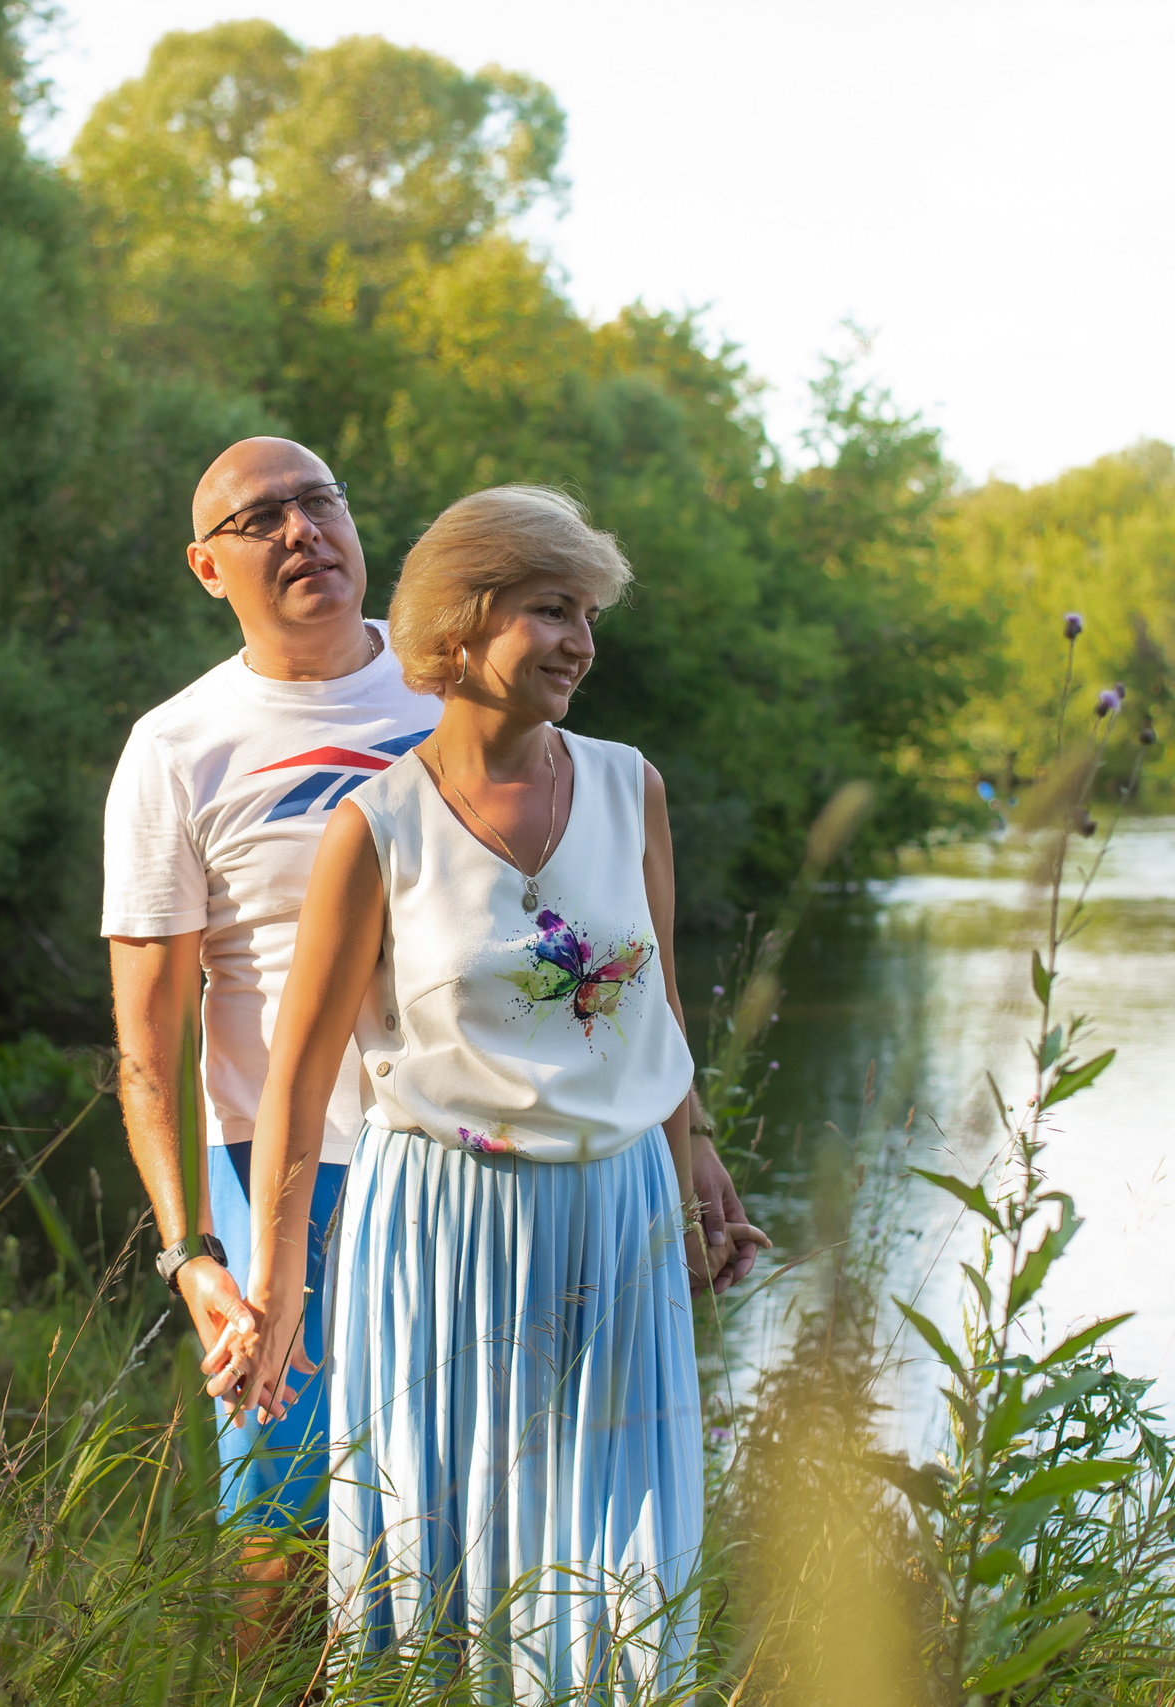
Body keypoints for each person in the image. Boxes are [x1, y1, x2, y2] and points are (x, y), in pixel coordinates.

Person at [103, 444, 763, 1591]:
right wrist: (190, 1255)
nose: (302, 530)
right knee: (287, 1523)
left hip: (495, 1159)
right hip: (283, 1161)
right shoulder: (176, 749)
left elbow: (621, 967)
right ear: (209, 569)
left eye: (319, 501)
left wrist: (687, 1142)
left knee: (497, 1514)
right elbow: (146, 1050)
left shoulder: (472, 685)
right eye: (262, 520)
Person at [231, 486, 708, 1697]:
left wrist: (698, 1165)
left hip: (616, 1222)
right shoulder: (376, 828)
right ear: (465, 616)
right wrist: (276, 1292)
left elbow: (654, 1006)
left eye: (588, 614)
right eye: (554, 609)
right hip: (441, 1236)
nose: (582, 644)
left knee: (625, 1574)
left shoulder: (628, 787)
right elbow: (294, 1083)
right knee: (445, 1566)